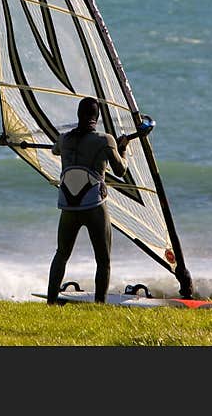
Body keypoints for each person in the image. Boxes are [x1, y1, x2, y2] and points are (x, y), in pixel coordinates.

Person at [46, 96, 128, 304]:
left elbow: (55, 149)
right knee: (103, 260)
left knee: (62, 254)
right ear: (97, 117)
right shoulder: (105, 140)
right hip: (94, 207)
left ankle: (51, 301)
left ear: (78, 115)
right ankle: (99, 304)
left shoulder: (65, 139)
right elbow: (121, 170)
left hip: (69, 206)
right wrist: (122, 149)